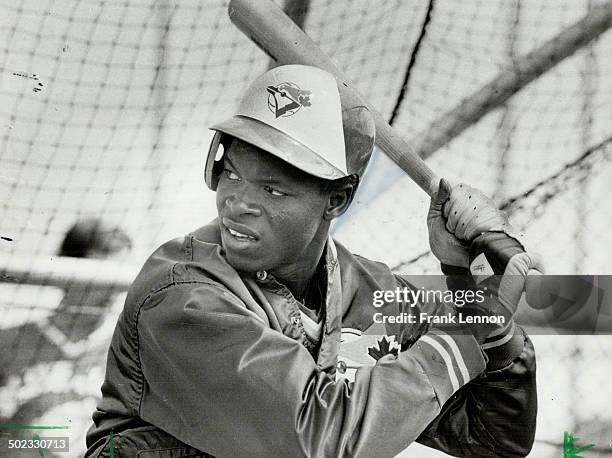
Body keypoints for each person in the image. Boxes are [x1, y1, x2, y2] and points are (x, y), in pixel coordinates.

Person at [85, 65, 539, 457]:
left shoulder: (376, 293)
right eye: (232, 174)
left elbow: (495, 437)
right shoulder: (183, 295)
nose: (238, 203)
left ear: (337, 198)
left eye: (272, 188)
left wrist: (467, 290)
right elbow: (317, 440)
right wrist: (466, 334)